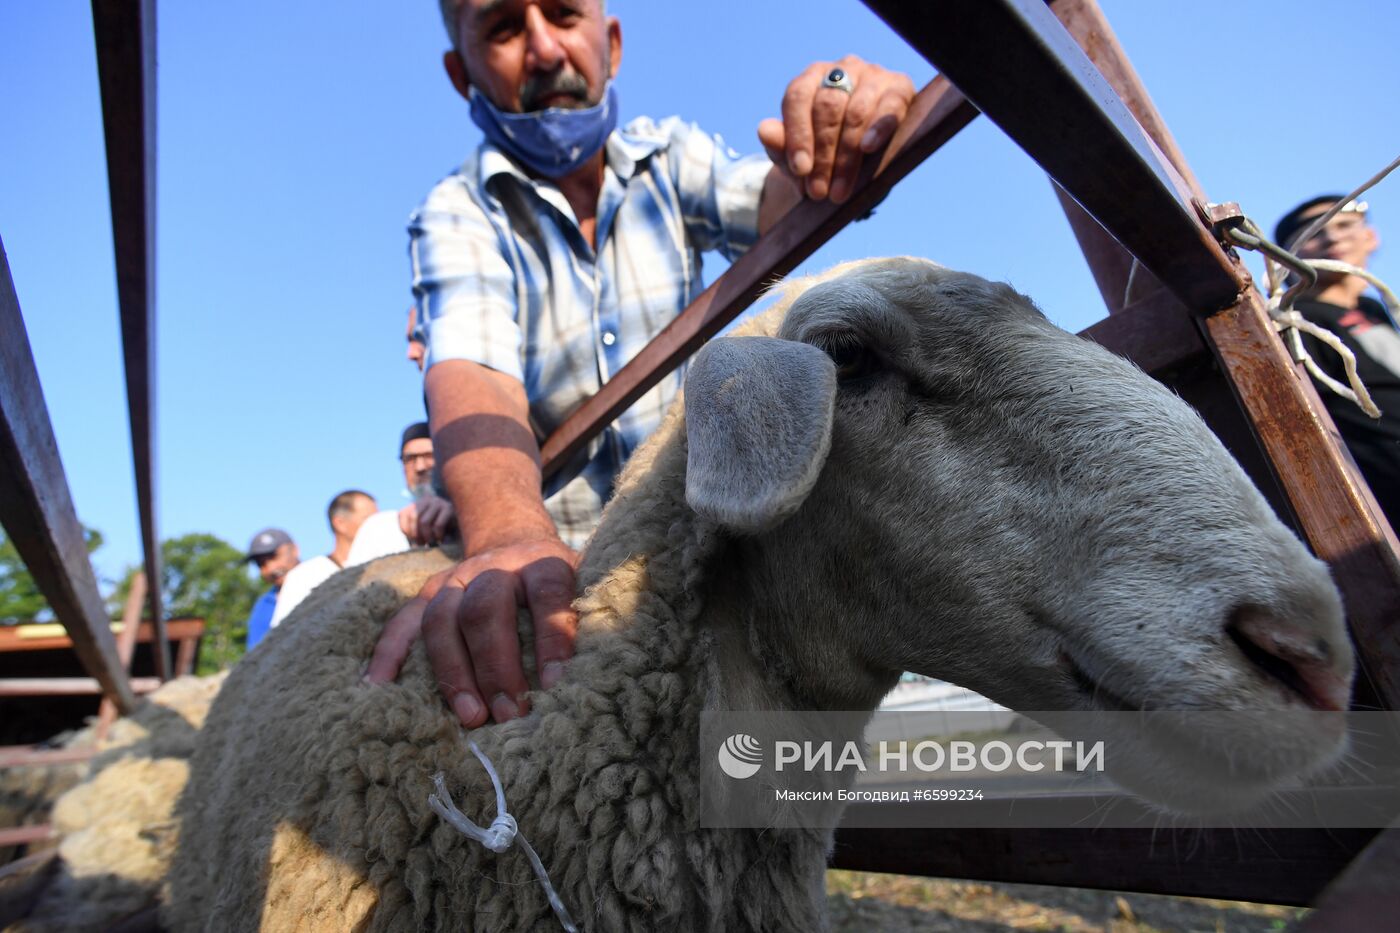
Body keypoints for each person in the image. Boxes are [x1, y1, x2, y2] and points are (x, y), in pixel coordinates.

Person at [366, 0, 915, 729]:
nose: (542, 50)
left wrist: (838, 124)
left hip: (689, 551)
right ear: (459, 70)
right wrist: (505, 536)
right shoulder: (459, 212)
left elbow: (781, 204)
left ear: (612, 42)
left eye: (563, 14)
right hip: (554, 573)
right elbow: (473, 370)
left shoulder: (669, 160)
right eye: (502, 28)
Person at [1276, 195, 1399, 527]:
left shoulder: (1374, 310)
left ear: (1370, 237)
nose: (1333, 237)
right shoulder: (1295, 323)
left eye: (1344, 225)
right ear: (1289, 257)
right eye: (1315, 232)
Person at [346, 423, 457, 565]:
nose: (420, 467)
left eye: (429, 455)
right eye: (410, 459)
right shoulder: (380, 528)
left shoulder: (469, 520)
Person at [270, 490, 378, 627]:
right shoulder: (305, 576)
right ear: (340, 523)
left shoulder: (383, 570)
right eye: (368, 519)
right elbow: (283, 635)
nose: (378, 525)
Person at [242, 528, 299, 651]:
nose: (271, 568)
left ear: (294, 550)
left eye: (274, 557)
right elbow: (255, 658)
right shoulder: (263, 606)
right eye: (261, 563)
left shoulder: (327, 586)